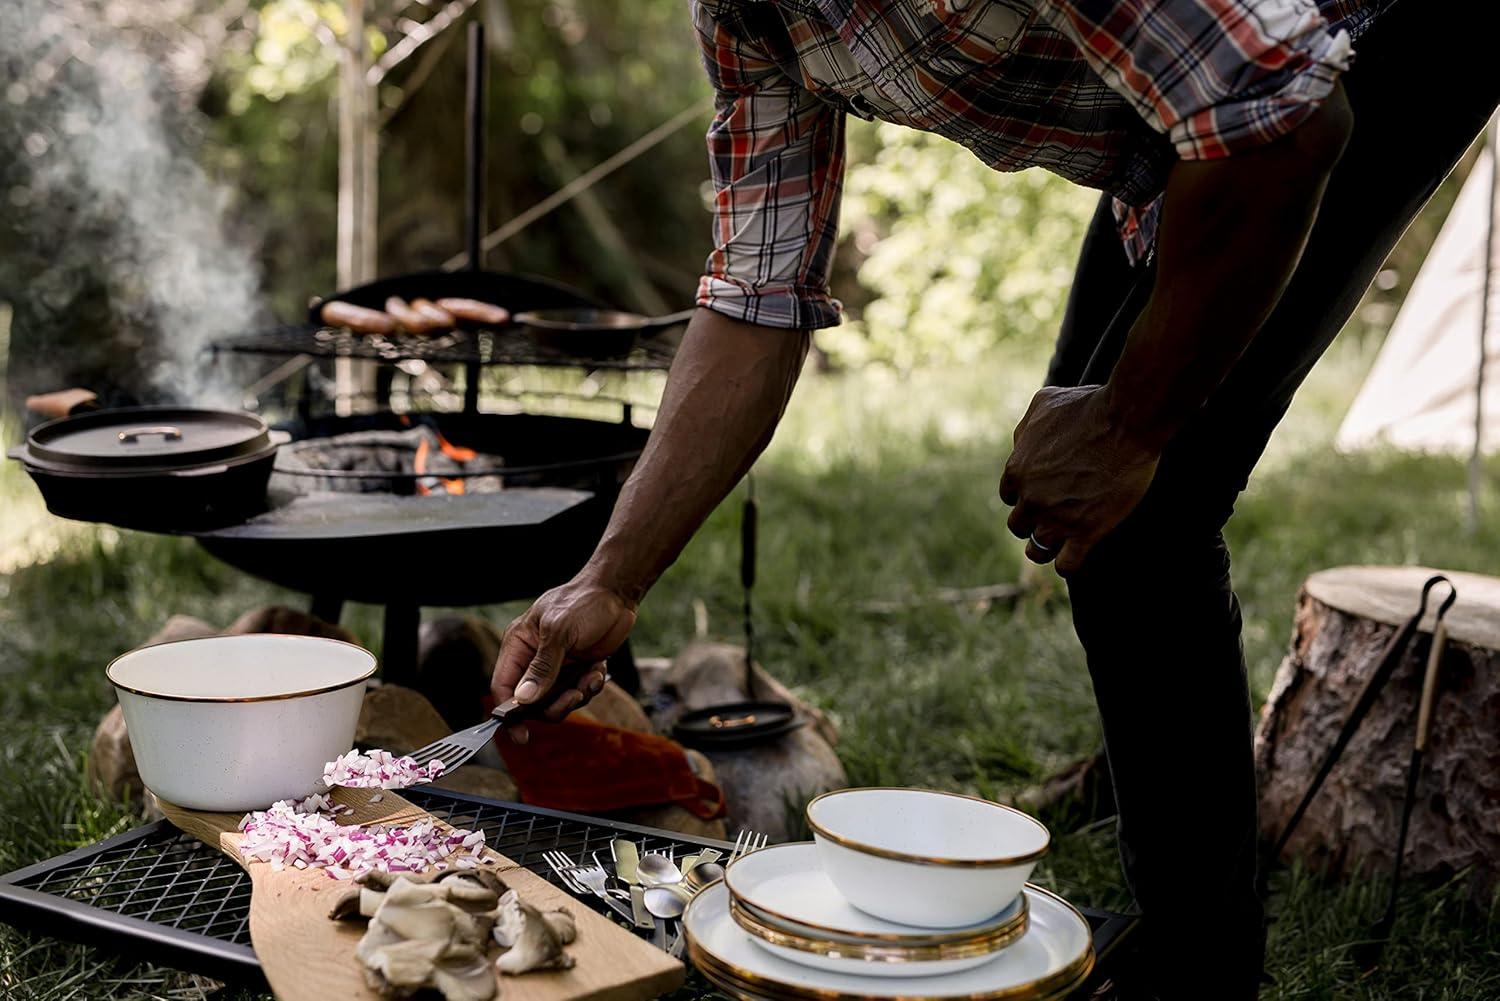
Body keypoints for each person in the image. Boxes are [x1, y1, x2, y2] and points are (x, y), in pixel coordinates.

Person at [490, 1, 1499, 996]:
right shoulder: (750, 20)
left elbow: (1286, 122)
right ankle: (1152, 783)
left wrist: (1127, 427)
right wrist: (611, 578)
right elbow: (757, 297)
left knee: (1142, 518)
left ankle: (1202, 971)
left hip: (1367, 46)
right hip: (1204, 110)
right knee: (1100, 526)